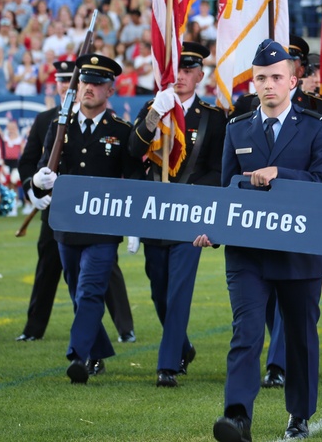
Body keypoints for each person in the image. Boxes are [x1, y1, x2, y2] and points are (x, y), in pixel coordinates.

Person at [194, 39, 322, 442]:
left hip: (300, 252)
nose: (269, 85)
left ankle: (300, 414)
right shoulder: (237, 128)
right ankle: (237, 416)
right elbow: (226, 190)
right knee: (247, 332)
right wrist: (213, 231)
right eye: (261, 78)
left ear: (294, 80)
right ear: (253, 83)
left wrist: (282, 174)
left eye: (276, 77)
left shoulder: (317, 128)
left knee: (300, 337)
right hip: (248, 253)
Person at [31, 54, 138, 382]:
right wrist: (39, 182)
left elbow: (132, 180)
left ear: (110, 90)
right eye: (85, 82)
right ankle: (99, 350)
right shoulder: (59, 126)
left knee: (91, 290)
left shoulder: (120, 131)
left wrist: (134, 225)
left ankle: (79, 355)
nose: (88, 88)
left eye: (97, 84)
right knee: (77, 289)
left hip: (104, 226)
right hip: (66, 224)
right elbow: (43, 166)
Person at [128, 42, 226, 387]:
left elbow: (218, 170)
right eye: (176, 70)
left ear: (200, 75)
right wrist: (156, 113)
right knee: (159, 290)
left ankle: (167, 365)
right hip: (155, 214)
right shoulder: (154, 107)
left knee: (179, 291)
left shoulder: (213, 118)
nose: (181, 76)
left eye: (188, 71)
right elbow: (133, 149)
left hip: (191, 215)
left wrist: (194, 196)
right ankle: (182, 347)